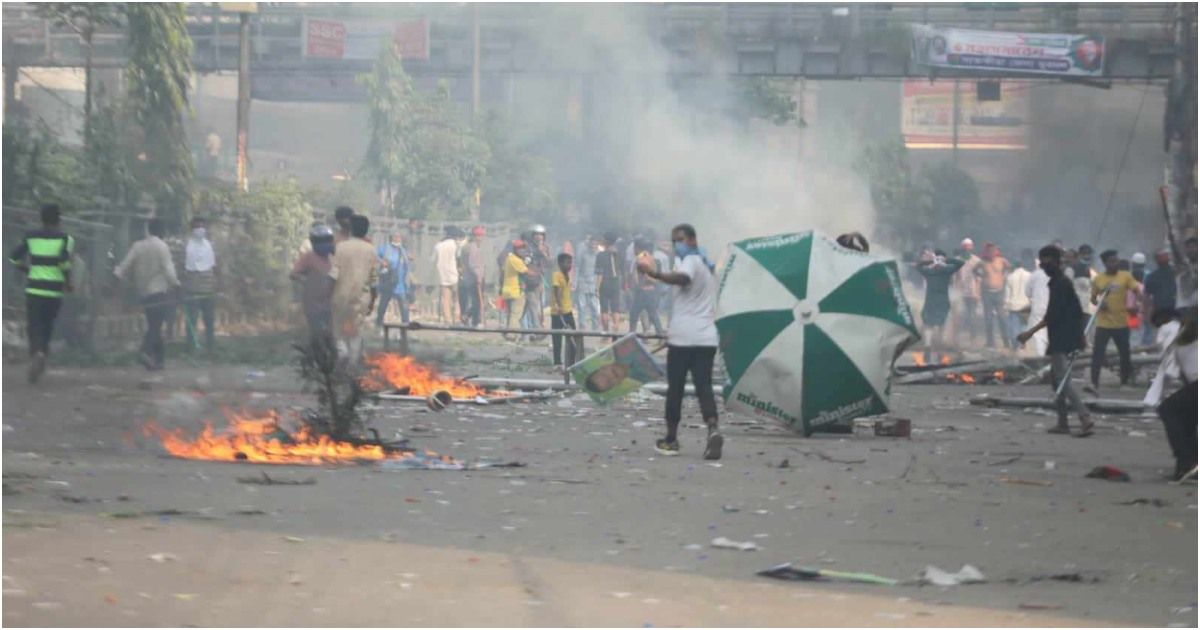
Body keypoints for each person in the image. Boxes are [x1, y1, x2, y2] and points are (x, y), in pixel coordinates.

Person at [637, 223, 722, 460]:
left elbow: (682, 279)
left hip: (685, 339)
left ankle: (671, 438)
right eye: (673, 241)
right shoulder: (706, 265)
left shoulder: (691, 262)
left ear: (692, 240)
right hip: (705, 338)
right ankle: (713, 427)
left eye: (680, 240)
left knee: (675, 389)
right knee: (704, 386)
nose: (676, 245)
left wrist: (654, 273)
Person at [1017, 245, 1094, 437]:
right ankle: (1062, 422)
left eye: (1046, 260)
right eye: (1041, 260)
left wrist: (1029, 333)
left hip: (1062, 338)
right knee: (1055, 380)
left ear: (1056, 261)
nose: (1043, 264)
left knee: (1062, 381)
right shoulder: (1057, 282)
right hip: (1063, 335)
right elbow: (1076, 311)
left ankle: (1084, 416)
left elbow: (1052, 316)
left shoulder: (1061, 283)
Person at [8, 203, 75, 383]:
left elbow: (13, 257)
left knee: (34, 325)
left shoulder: (31, 237)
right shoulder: (65, 239)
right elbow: (64, 263)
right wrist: (68, 282)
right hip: (54, 291)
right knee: (47, 325)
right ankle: (42, 355)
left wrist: (26, 269)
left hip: (34, 289)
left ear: (41, 218)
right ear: (59, 220)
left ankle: (36, 353)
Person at [115, 218, 181, 371]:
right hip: (159, 292)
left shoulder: (138, 246)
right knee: (156, 326)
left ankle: (159, 361)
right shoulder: (162, 246)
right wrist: (177, 285)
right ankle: (145, 351)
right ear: (162, 231)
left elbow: (124, 265)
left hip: (144, 293)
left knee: (154, 324)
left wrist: (117, 277)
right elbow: (168, 270)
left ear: (149, 230)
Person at [330, 215, 378, 365]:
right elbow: (373, 280)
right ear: (366, 231)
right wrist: (372, 301)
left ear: (350, 229)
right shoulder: (370, 250)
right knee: (356, 332)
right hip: (361, 299)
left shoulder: (340, 247)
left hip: (340, 296)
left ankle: (342, 353)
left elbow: (332, 275)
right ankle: (352, 364)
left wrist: (326, 295)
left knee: (338, 330)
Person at [1090, 249, 1140, 390]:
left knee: (1125, 353)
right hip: (1103, 323)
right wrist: (1100, 303)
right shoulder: (1098, 279)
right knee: (1098, 354)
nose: (1115, 263)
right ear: (1105, 263)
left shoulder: (1125, 276)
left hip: (1122, 323)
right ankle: (1094, 383)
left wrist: (1137, 305)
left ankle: (1124, 383)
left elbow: (1138, 291)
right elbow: (1093, 299)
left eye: (1116, 261)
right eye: (1111, 261)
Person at [1155, 313, 1196, 480]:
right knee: (1186, 417)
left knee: (1168, 410)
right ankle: (1188, 461)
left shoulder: (1178, 343)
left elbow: (1182, 376)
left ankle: (1187, 460)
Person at [915, 250, 964, 363]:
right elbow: (959, 263)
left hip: (934, 301)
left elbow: (918, 266)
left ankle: (933, 349)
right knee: (933, 325)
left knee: (934, 325)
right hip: (938, 301)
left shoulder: (933, 271)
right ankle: (933, 350)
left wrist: (936, 261)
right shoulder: (944, 271)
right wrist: (938, 261)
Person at [291, 224, 337, 338]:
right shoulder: (308, 257)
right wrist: (306, 280)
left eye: (326, 240)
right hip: (313, 303)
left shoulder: (334, 257)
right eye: (321, 241)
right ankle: (316, 353)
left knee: (330, 333)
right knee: (316, 332)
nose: (324, 244)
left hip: (331, 303)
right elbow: (293, 273)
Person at [183, 217, 217, 353]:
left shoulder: (209, 245)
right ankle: (191, 347)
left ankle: (211, 345)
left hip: (208, 288)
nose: (200, 230)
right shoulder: (187, 246)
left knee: (209, 319)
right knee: (191, 319)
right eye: (197, 227)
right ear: (192, 230)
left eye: (202, 227)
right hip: (192, 288)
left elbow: (213, 266)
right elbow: (184, 267)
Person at [976, 242, 1012, 349]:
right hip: (987, 293)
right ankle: (990, 342)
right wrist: (982, 276)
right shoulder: (982, 262)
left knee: (1002, 318)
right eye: (989, 252)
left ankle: (1006, 342)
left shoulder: (1002, 260)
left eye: (992, 251)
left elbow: (1010, 268)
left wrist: (1004, 277)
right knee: (988, 318)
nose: (991, 254)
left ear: (995, 252)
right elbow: (974, 270)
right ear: (986, 253)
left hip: (999, 292)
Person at [501, 239, 536, 340]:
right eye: (521, 248)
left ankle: (509, 333)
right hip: (515, 290)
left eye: (524, 248)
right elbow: (527, 272)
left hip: (507, 290)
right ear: (516, 249)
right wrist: (537, 273)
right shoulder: (515, 260)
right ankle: (511, 335)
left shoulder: (509, 258)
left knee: (510, 314)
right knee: (515, 314)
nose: (523, 250)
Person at [628, 239, 665, 336]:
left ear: (638, 248)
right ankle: (660, 336)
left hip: (642, 291)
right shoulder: (655, 260)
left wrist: (637, 285)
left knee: (633, 315)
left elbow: (634, 276)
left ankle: (630, 337)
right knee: (653, 315)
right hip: (651, 291)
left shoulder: (639, 259)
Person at [375, 231, 411, 328]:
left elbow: (407, 263)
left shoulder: (402, 250)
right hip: (388, 281)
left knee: (404, 306)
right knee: (383, 304)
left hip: (400, 283)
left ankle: (406, 325)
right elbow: (374, 255)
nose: (398, 239)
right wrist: (382, 262)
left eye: (399, 237)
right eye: (396, 237)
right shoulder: (385, 248)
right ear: (392, 238)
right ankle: (378, 323)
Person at [550, 253, 580, 370]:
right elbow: (556, 290)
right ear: (560, 263)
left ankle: (572, 363)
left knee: (573, 336)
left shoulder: (567, 275)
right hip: (558, 312)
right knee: (557, 338)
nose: (570, 265)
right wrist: (558, 305)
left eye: (570, 263)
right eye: (567, 263)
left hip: (568, 310)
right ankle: (557, 362)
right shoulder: (556, 275)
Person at [1024, 246, 1054, 357]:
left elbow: (1027, 292)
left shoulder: (1036, 274)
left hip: (1039, 308)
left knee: (1038, 336)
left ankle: (1042, 359)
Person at [1143, 249, 1177, 346]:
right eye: (1160, 257)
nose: (1162, 259)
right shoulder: (1153, 276)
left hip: (1176, 310)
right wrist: (1146, 314)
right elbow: (1147, 296)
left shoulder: (1176, 273)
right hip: (1160, 311)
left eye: (1164, 256)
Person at [522, 225, 551, 334]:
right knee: (532, 305)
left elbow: (549, 263)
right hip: (530, 280)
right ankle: (535, 329)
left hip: (541, 280)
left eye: (541, 235)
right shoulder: (528, 247)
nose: (539, 237)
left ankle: (532, 328)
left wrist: (542, 252)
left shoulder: (546, 247)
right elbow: (525, 263)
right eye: (537, 235)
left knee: (539, 305)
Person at [953, 238, 981, 344]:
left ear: (972, 247)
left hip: (973, 292)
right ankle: (958, 337)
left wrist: (977, 293)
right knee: (959, 314)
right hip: (960, 292)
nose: (967, 248)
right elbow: (955, 278)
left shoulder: (977, 261)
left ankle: (973, 336)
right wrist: (955, 292)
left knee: (972, 314)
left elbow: (979, 279)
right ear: (962, 247)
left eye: (969, 246)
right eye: (965, 246)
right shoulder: (956, 260)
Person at [1003, 250, 1032, 350]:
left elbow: (1007, 294)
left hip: (1014, 305)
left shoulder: (1010, 277)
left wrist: (1005, 306)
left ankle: (1015, 345)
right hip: (1026, 305)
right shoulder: (1029, 275)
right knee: (1024, 325)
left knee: (1014, 326)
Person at [432, 226, 460, 324]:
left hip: (443, 276)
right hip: (455, 275)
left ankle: (447, 319)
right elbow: (459, 258)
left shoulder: (438, 245)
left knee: (446, 299)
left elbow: (432, 260)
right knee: (457, 299)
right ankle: (457, 318)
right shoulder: (455, 245)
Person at [459, 226, 486, 328]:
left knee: (476, 301)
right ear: (474, 236)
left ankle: (467, 318)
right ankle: (475, 321)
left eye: (481, 235)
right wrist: (478, 277)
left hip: (471, 278)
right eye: (479, 236)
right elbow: (472, 265)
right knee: (477, 301)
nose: (481, 238)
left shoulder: (471, 246)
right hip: (474, 278)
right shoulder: (472, 247)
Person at [595, 233, 622, 332]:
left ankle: (606, 333)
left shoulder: (600, 255)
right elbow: (622, 271)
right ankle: (616, 329)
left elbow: (599, 274)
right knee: (615, 308)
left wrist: (597, 288)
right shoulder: (619, 254)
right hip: (615, 283)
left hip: (604, 283)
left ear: (606, 242)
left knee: (604, 309)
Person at [573, 234, 599, 330]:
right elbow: (578, 268)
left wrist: (599, 284)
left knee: (594, 307)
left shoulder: (599, 255)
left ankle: (595, 326)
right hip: (583, 282)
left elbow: (600, 272)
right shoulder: (583, 254)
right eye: (592, 244)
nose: (593, 246)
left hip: (594, 284)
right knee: (581, 306)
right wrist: (575, 283)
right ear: (589, 244)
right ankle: (582, 325)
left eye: (595, 244)